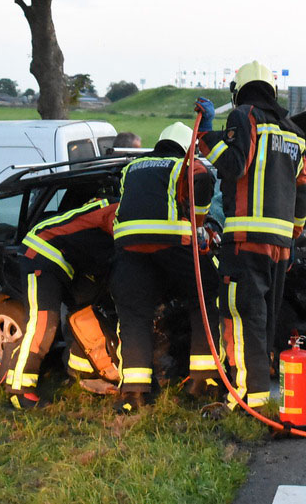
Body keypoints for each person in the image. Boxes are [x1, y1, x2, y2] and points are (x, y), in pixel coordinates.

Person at [197, 61, 306, 410]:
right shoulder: (294, 132)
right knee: (265, 315)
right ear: (272, 91)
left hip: (245, 239)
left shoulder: (244, 116)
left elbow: (234, 165)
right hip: (279, 245)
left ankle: (250, 400)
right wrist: (292, 235)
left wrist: (206, 135)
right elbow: (305, 192)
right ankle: (258, 394)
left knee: (243, 315)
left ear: (239, 92)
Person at [109, 122, 218, 413]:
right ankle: (202, 381)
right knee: (205, 297)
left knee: (134, 313)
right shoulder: (183, 164)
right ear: (186, 148)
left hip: (130, 248)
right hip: (171, 243)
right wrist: (198, 221)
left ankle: (134, 394)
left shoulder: (131, 167)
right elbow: (203, 177)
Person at [2, 196, 120, 410]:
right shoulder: (120, 211)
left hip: (67, 262)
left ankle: (81, 370)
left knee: (83, 317)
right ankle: (19, 391)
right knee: (44, 323)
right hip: (41, 253)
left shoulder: (123, 207)